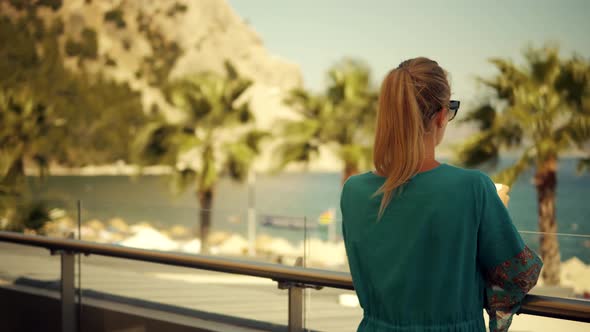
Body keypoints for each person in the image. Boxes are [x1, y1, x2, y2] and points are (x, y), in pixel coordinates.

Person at [340, 57, 542, 332]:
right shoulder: (472, 188)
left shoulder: (353, 192)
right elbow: (520, 274)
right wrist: (493, 214)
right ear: (440, 115)